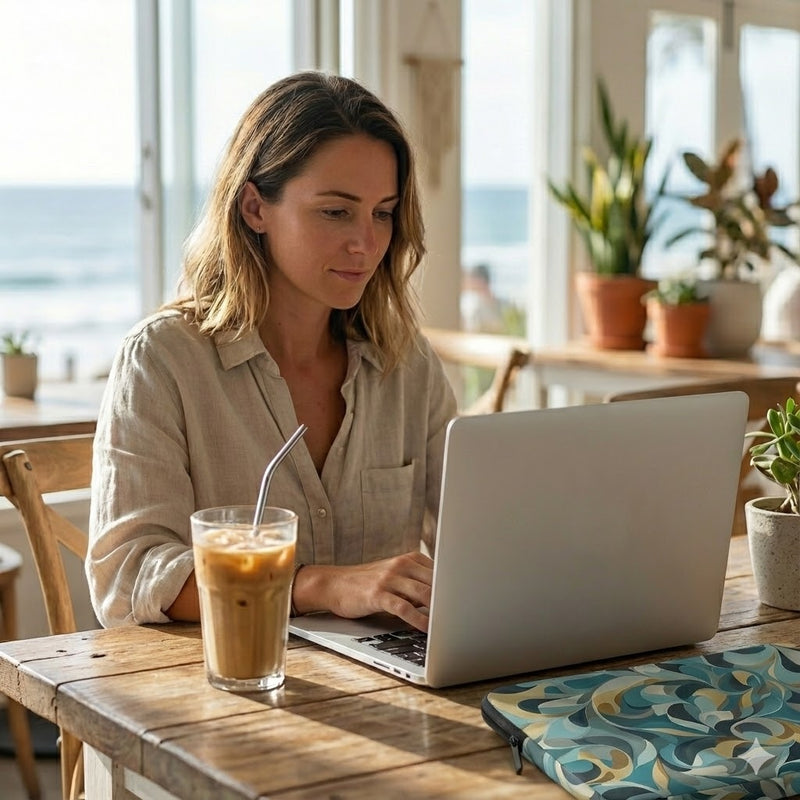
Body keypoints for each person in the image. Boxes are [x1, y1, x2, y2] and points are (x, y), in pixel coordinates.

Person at [86, 71, 457, 633]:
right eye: (336, 211)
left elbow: (477, 539)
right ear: (255, 208)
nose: (366, 243)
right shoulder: (162, 361)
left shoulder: (406, 365)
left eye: (383, 212)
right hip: (223, 693)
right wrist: (319, 584)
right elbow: (129, 577)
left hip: (389, 687)